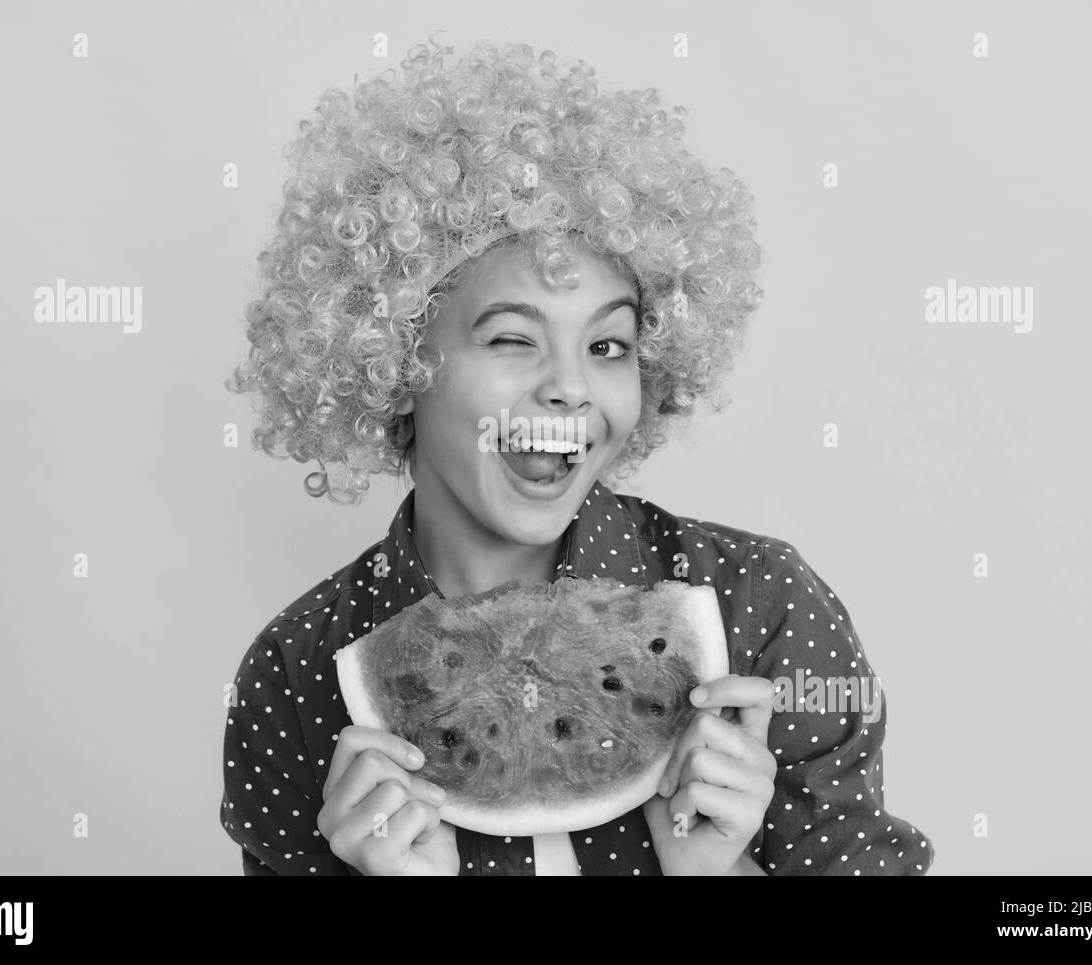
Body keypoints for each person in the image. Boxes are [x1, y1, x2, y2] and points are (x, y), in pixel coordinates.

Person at [220, 37, 934, 875]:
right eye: (514, 338)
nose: (570, 388)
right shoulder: (294, 676)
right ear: (400, 355)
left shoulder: (762, 611)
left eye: (608, 344)